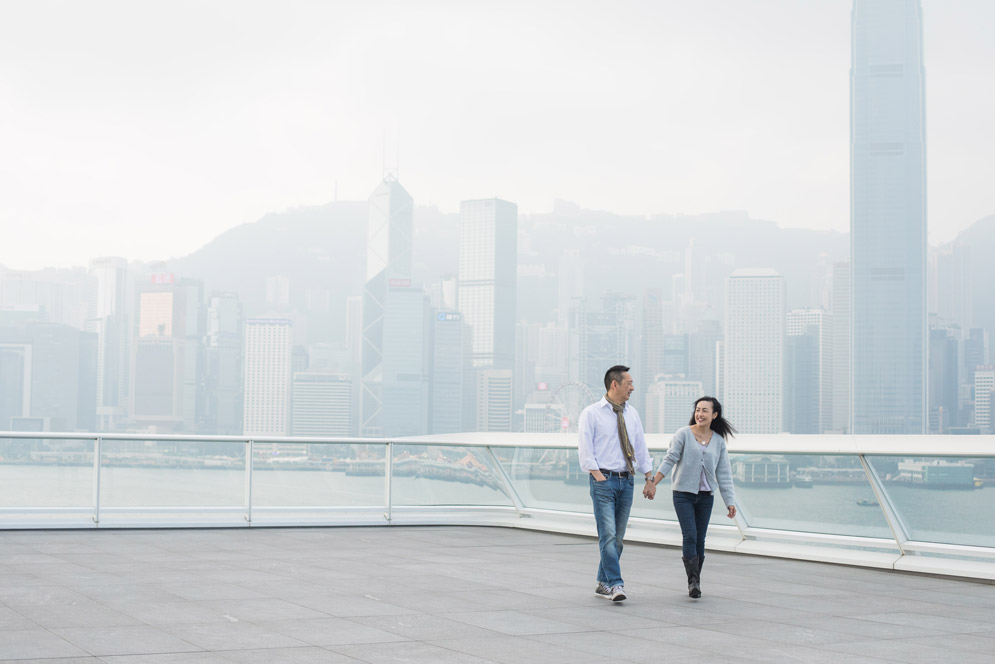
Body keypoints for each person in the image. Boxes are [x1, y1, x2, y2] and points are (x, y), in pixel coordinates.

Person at [643, 396, 737, 598]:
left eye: (705, 410)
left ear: (714, 415)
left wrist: (730, 502)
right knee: (690, 536)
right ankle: (693, 582)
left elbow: (724, 474)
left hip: (706, 497)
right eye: (697, 410)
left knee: (700, 539)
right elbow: (670, 460)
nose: (700, 414)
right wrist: (653, 483)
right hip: (683, 495)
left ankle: (695, 581)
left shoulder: (719, 441)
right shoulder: (683, 434)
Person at [577, 365, 654, 602]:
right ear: (615, 384)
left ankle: (602, 582)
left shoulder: (631, 413)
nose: (632, 387)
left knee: (617, 538)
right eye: (629, 383)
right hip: (604, 481)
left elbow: (640, 447)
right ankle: (616, 584)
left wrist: (649, 477)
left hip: (626, 480)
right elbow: (585, 449)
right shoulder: (591, 413)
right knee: (607, 535)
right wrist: (598, 475)